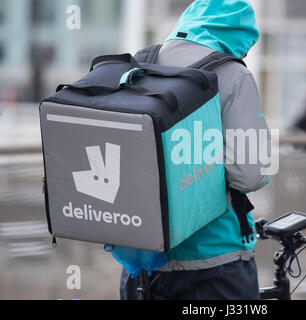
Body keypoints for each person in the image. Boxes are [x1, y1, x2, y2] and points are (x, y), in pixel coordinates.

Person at [120, 0, 270, 300]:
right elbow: (250, 175)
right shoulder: (231, 74)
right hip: (214, 265)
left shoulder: (140, 62)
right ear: (239, 37)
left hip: (141, 261)